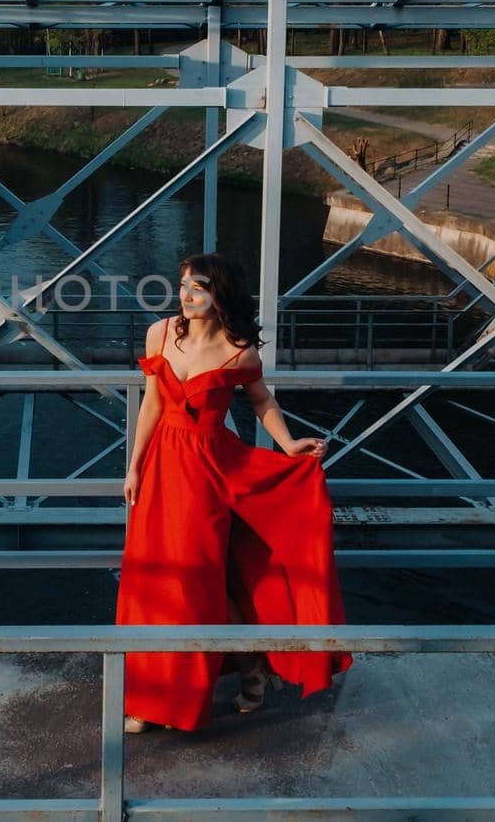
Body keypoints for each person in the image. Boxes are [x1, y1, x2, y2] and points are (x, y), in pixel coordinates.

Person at [115, 251, 352, 733]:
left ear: (220, 293)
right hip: (161, 467)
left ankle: (195, 692)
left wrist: (287, 445)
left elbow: (261, 399)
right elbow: (152, 406)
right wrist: (133, 467)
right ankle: (149, 697)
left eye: (198, 286)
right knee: (150, 582)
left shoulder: (240, 349)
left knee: (197, 585)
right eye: (183, 284)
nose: (186, 294)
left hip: (209, 471)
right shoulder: (159, 333)